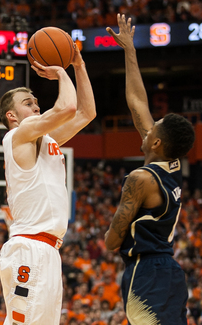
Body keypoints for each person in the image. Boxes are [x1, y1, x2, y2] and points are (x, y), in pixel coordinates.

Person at [104, 14, 195, 325]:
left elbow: (112, 240)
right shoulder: (172, 164)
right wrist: (129, 50)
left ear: (156, 143)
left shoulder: (140, 178)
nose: (148, 126)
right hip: (171, 272)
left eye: (153, 127)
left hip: (146, 272)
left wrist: (111, 237)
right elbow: (136, 102)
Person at [0, 44, 96, 325]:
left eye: (36, 101)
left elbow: (86, 113)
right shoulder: (18, 135)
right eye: (28, 103)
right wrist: (60, 73)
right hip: (29, 248)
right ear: (12, 117)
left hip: (49, 250)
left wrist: (79, 66)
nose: (36, 105)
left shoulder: (45, 140)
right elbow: (67, 106)